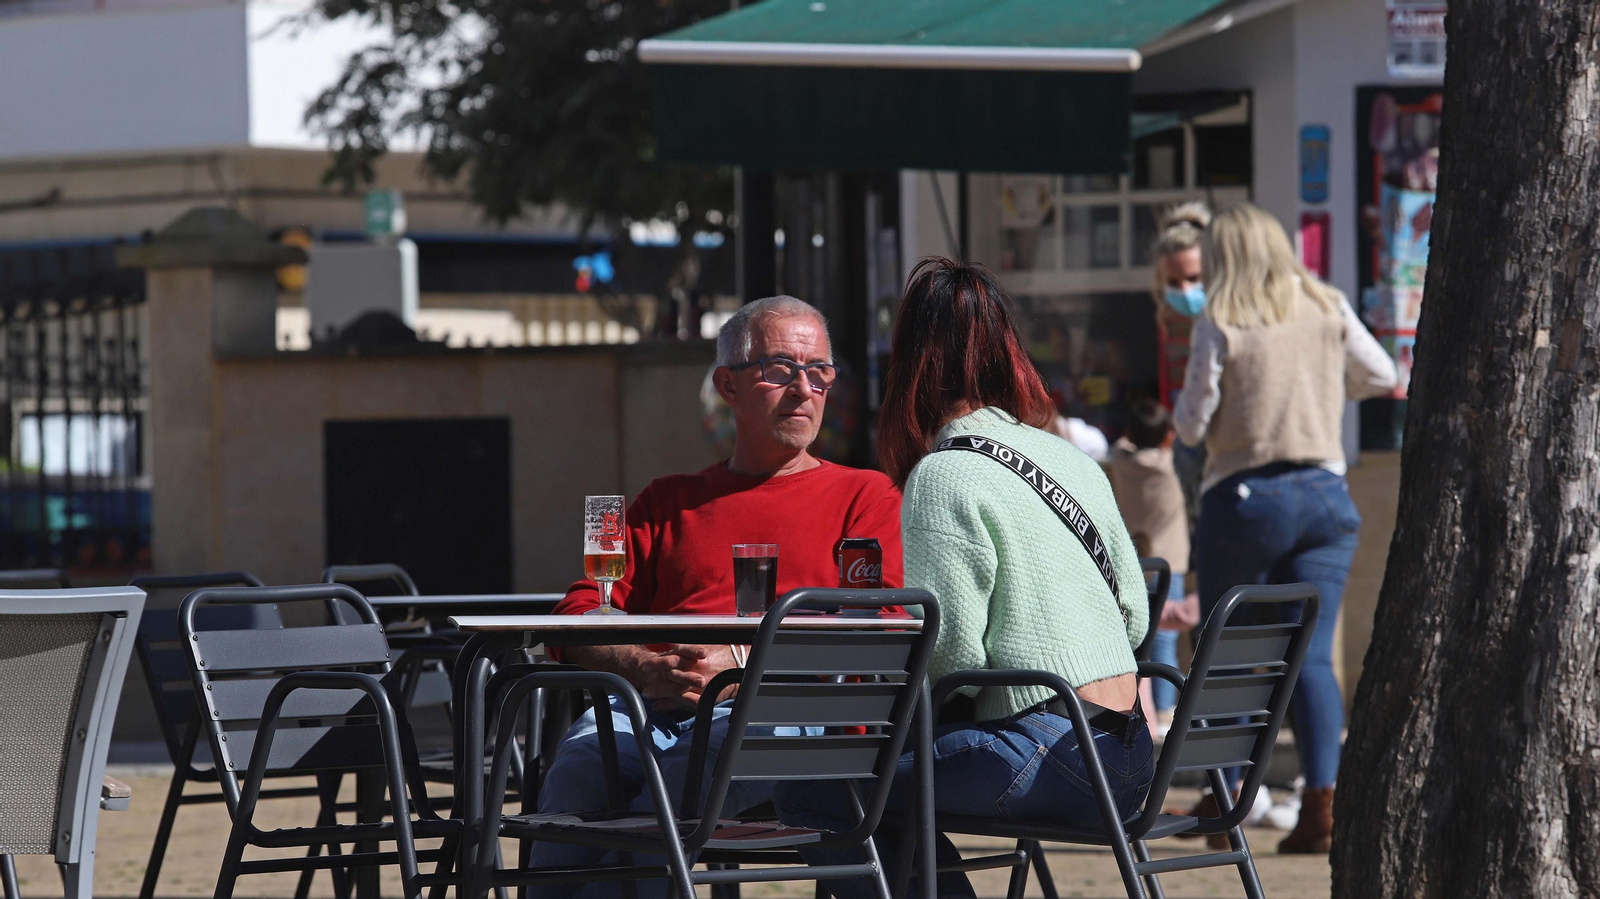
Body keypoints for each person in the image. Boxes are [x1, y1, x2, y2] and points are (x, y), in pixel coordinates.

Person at [775, 258, 1151, 899]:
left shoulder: (944, 473)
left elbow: (951, 656)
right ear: (1009, 350)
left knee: (821, 787)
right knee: (882, 797)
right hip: (1131, 757)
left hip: (1046, 755)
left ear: (909, 365)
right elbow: (1136, 615)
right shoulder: (1070, 458)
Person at [534, 294, 905, 898]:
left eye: (820, 372)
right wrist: (642, 665)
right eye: (780, 369)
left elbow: (879, 629)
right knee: (575, 778)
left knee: (667, 792)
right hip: (650, 709)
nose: (804, 389)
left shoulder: (865, 495)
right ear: (727, 386)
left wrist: (737, 666)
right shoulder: (666, 500)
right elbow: (576, 614)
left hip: (785, 713)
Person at [1174, 203, 1398, 854]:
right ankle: (1321, 802)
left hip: (1246, 495)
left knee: (1232, 648)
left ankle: (1226, 795)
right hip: (1328, 494)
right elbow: (1382, 374)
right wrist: (1323, 385)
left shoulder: (1222, 316)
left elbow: (1191, 423)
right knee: (1313, 655)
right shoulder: (1326, 305)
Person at [1108, 398, 1191, 730]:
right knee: (1168, 639)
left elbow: (1122, 443)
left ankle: (1143, 712)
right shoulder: (1169, 466)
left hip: (1133, 562)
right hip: (1170, 563)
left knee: (1137, 638)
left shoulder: (1121, 461)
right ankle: (1168, 712)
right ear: (1167, 437)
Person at [1151, 201, 1212, 529]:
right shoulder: (1166, 321)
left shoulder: (1226, 319)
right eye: (1174, 282)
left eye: (1194, 278)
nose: (1185, 291)